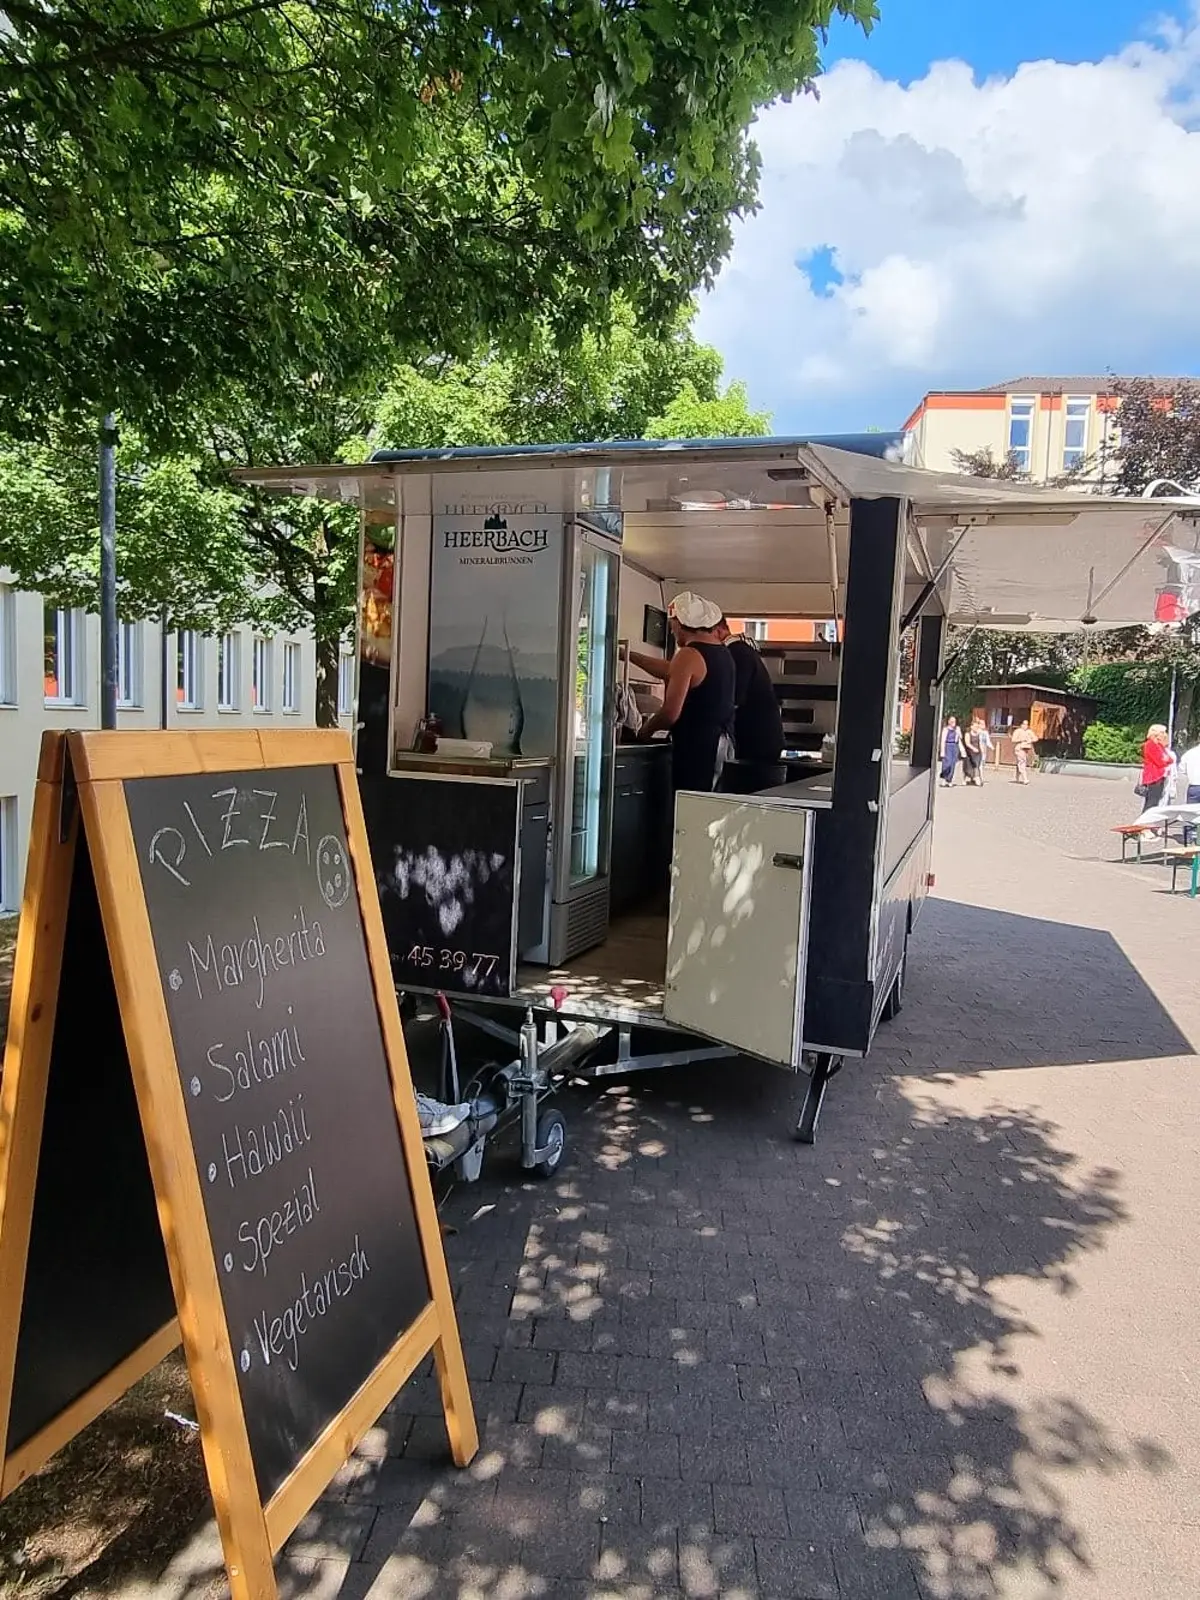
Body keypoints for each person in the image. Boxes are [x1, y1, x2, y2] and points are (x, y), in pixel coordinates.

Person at [632, 592, 735, 794]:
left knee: (689, 805)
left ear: (679, 623)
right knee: (709, 804)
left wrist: (644, 732)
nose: (672, 631)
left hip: (698, 749)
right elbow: (671, 670)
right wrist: (629, 656)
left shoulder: (688, 655)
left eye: (672, 625)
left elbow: (670, 713)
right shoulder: (722, 654)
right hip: (722, 745)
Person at [713, 616, 785, 792]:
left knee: (748, 792)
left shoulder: (737, 652)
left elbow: (734, 699)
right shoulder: (742, 651)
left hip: (756, 741)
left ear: (718, 631)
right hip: (762, 739)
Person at [1139, 723, 1173, 812]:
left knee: (1155, 801)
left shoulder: (1159, 745)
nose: (1165, 735)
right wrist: (1165, 759)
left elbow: (1170, 759)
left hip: (1160, 777)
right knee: (1151, 802)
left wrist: (1165, 759)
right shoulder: (1150, 744)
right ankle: (1146, 819)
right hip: (1153, 777)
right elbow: (1160, 762)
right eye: (1162, 732)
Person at [1010, 719, 1037, 784]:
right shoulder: (1018, 731)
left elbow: (1035, 738)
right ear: (1021, 725)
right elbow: (1013, 739)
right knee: (1022, 762)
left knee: (1020, 763)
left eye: (1027, 724)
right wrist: (1021, 739)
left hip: (1026, 749)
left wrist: (1030, 740)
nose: (1025, 726)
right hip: (1019, 748)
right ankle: (1025, 779)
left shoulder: (1029, 731)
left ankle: (1017, 777)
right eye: (1024, 724)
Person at [961, 719, 984, 787]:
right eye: (975, 727)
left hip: (978, 753)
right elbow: (967, 743)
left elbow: (980, 742)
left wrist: (982, 750)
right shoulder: (968, 734)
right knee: (967, 767)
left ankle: (977, 779)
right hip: (970, 753)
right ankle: (964, 779)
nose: (976, 728)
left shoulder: (978, 734)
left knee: (976, 766)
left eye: (977, 727)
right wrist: (973, 748)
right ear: (971, 727)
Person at [939, 717, 960, 786]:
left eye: (954, 721)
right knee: (947, 763)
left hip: (954, 746)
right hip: (947, 746)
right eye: (952, 721)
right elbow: (943, 740)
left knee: (953, 764)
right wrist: (942, 751)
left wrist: (958, 732)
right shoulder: (946, 729)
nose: (953, 722)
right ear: (948, 722)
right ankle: (944, 779)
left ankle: (949, 780)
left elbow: (960, 738)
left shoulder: (957, 729)